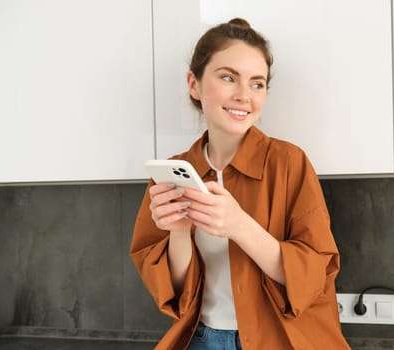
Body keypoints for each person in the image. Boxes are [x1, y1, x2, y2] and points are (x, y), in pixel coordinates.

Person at [129, 18, 350, 350]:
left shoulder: (289, 163)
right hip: (202, 339)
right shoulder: (174, 173)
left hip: (282, 339)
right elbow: (172, 291)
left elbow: (314, 276)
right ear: (194, 84)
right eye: (228, 78)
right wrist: (178, 232)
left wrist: (239, 225)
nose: (244, 96)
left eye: (257, 83)